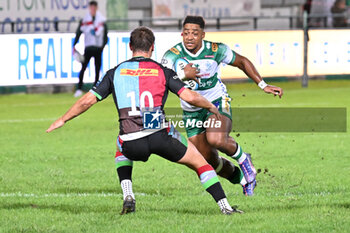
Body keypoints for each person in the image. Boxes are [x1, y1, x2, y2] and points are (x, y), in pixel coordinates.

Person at [47, 27, 243, 215]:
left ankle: (128, 194)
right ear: (152, 47)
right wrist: (210, 106)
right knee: (201, 163)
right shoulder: (162, 71)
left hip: (132, 141)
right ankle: (225, 207)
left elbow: (87, 101)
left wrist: (63, 119)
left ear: (130, 47)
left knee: (120, 144)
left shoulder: (115, 72)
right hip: (160, 136)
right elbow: (189, 97)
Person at [159, 16, 284, 196]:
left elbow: (241, 61)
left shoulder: (216, 50)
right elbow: (163, 81)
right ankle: (242, 180)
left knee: (216, 139)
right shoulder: (171, 55)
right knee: (206, 159)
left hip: (216, 101)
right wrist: (182, 74)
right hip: (191, 111)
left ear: (203, 35)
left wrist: (262, 84)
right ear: (181, 34)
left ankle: (244, 160)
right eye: (186, 33)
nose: (190, 37)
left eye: (195, 33)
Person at [73, 0, 108, 97]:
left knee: (97, 69)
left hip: (97, 48)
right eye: (91, 7)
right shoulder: (85, 20)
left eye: (94, 8)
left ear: (96, 8)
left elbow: (105, 35)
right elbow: (79, 32)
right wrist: (74, 44)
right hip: (88, 47)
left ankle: (95, 89)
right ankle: (79, 88)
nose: (92, 9)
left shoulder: (101, 20)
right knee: (83, 68)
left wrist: (102, 46)